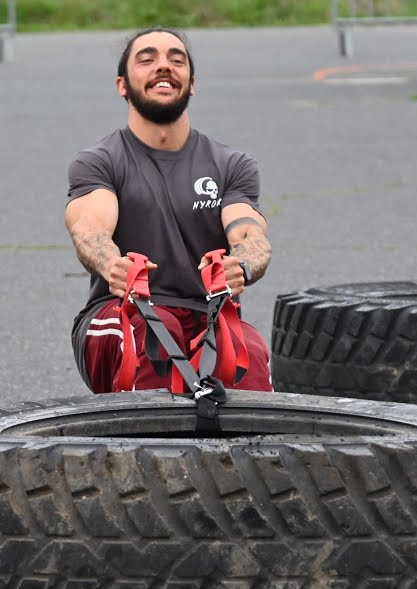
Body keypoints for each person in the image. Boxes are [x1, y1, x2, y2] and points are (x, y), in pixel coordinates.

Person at [65, 26, 274, 394]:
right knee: (157, 334)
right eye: (147, 60)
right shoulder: (100, 161)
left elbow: (249, 232)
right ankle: (139, 449)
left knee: (249, 350)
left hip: (207, 316)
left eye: (177, 61)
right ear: (122, 86)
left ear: (191, 84)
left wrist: (243, 263)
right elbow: (90, 227)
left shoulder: (231, 164)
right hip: (120, 314)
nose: (164, 67)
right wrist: (109, 264)